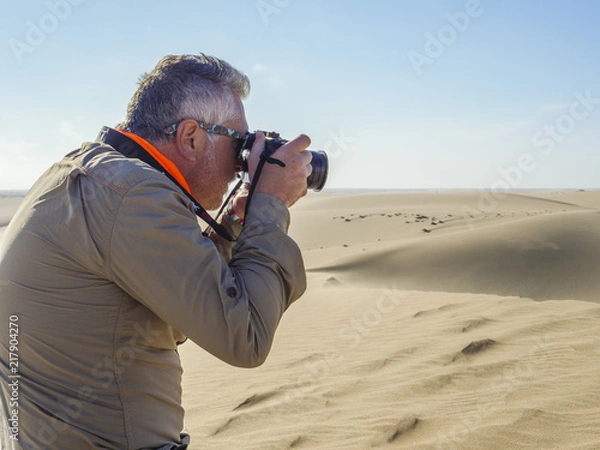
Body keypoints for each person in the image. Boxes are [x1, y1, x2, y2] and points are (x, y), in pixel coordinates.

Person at [0, 53, 312, 449]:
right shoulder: (134, 196)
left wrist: (234, 226)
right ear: (190, 137)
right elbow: (245, 337)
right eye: (240, 144)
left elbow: (178, 310)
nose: (242, 164)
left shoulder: (85, 173)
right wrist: (271, 205)